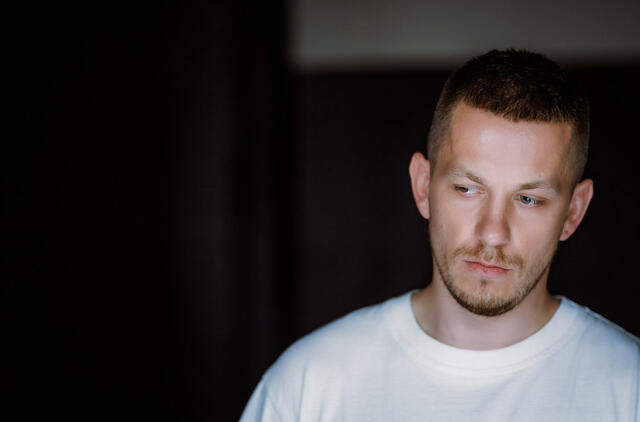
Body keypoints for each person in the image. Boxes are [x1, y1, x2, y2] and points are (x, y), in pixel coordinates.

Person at [240, 49, 640, 421]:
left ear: (573, 211)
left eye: (528, 199)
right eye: (467, 189)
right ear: (422, 186)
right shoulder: (306, 386)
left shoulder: (629, 390)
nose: (493, 233)